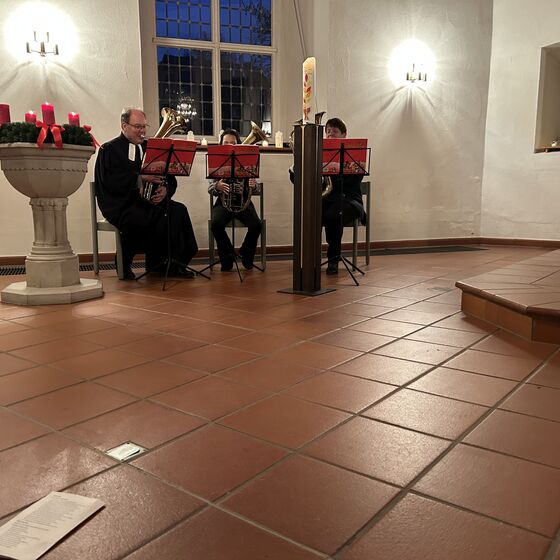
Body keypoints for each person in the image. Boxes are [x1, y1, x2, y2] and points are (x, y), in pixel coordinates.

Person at [94, 107, 198, 280]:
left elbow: (169, 177)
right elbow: (108, 181)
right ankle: (124, 262)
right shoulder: (109, 149)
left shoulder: (152, 147)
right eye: (138, 126)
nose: (142, 131)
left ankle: (174, 264)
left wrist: (166, 190)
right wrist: (139, 178)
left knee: (178, 211)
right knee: (140, 216)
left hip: (149, 202)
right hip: (121, 203)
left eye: (144, 126)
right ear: (124, 126)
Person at [208, 129, 263, 271]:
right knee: (216, 224)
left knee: (257, 225)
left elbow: (257, 189)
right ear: (221, 144)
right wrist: (217, 186)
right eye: (226, 142)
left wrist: (254, 186)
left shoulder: (246, 159)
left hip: (244, 202)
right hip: (223, 202)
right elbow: (210, 188)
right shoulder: (217, 160)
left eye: (233, 143)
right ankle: (227, 258)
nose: (229, 145)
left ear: (238, 144)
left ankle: (246, 254)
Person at [322, 117, 366, 274]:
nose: (330, 135)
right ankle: (309, 258)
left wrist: (338, 169)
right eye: (328, 131)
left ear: (344, 135)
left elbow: (355, 181)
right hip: (328, 199)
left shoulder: (352, 154)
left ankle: (333, 259)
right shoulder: (320, 153)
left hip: (350, 200)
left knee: (334, 214)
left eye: (334, 131)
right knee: (311, 212)